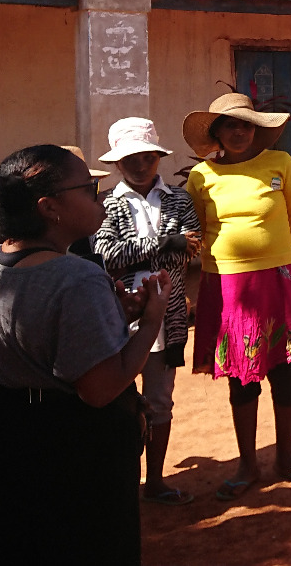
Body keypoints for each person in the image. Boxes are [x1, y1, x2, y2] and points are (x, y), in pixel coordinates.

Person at [0, 145, 170, 565]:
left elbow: (35, 336)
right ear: (49, 207)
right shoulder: (76, 277)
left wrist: (112, 316)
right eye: (89, 187)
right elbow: (100, 389)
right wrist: (150, 322)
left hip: (4, 436)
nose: (100, 195)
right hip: (71, 452)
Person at [183, 93, 291, 500]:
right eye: (230, 125)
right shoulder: (200, 176)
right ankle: (247, 464)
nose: (240, 131)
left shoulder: (281, 165)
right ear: (216, 132)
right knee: (242, 377)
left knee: (286, 372)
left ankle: (286, 457)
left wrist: (273, 257)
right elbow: (198, 227)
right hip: (225, 285)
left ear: (257, 129)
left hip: (277, 281)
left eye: (246, 124)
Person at [93, 117, 202, 505]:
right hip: (119, 317)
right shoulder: (107, 203)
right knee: (118, 402)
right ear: (117, 164)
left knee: (159, 401)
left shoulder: (178, 198)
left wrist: (166, 245)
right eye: (131, 159)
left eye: (147, 156)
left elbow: (192, 247)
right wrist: (167, 242)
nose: (140, 165)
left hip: (168, 316)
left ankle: (154, 481)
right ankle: (123, 483)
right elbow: (107, 256)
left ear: (157, 156)